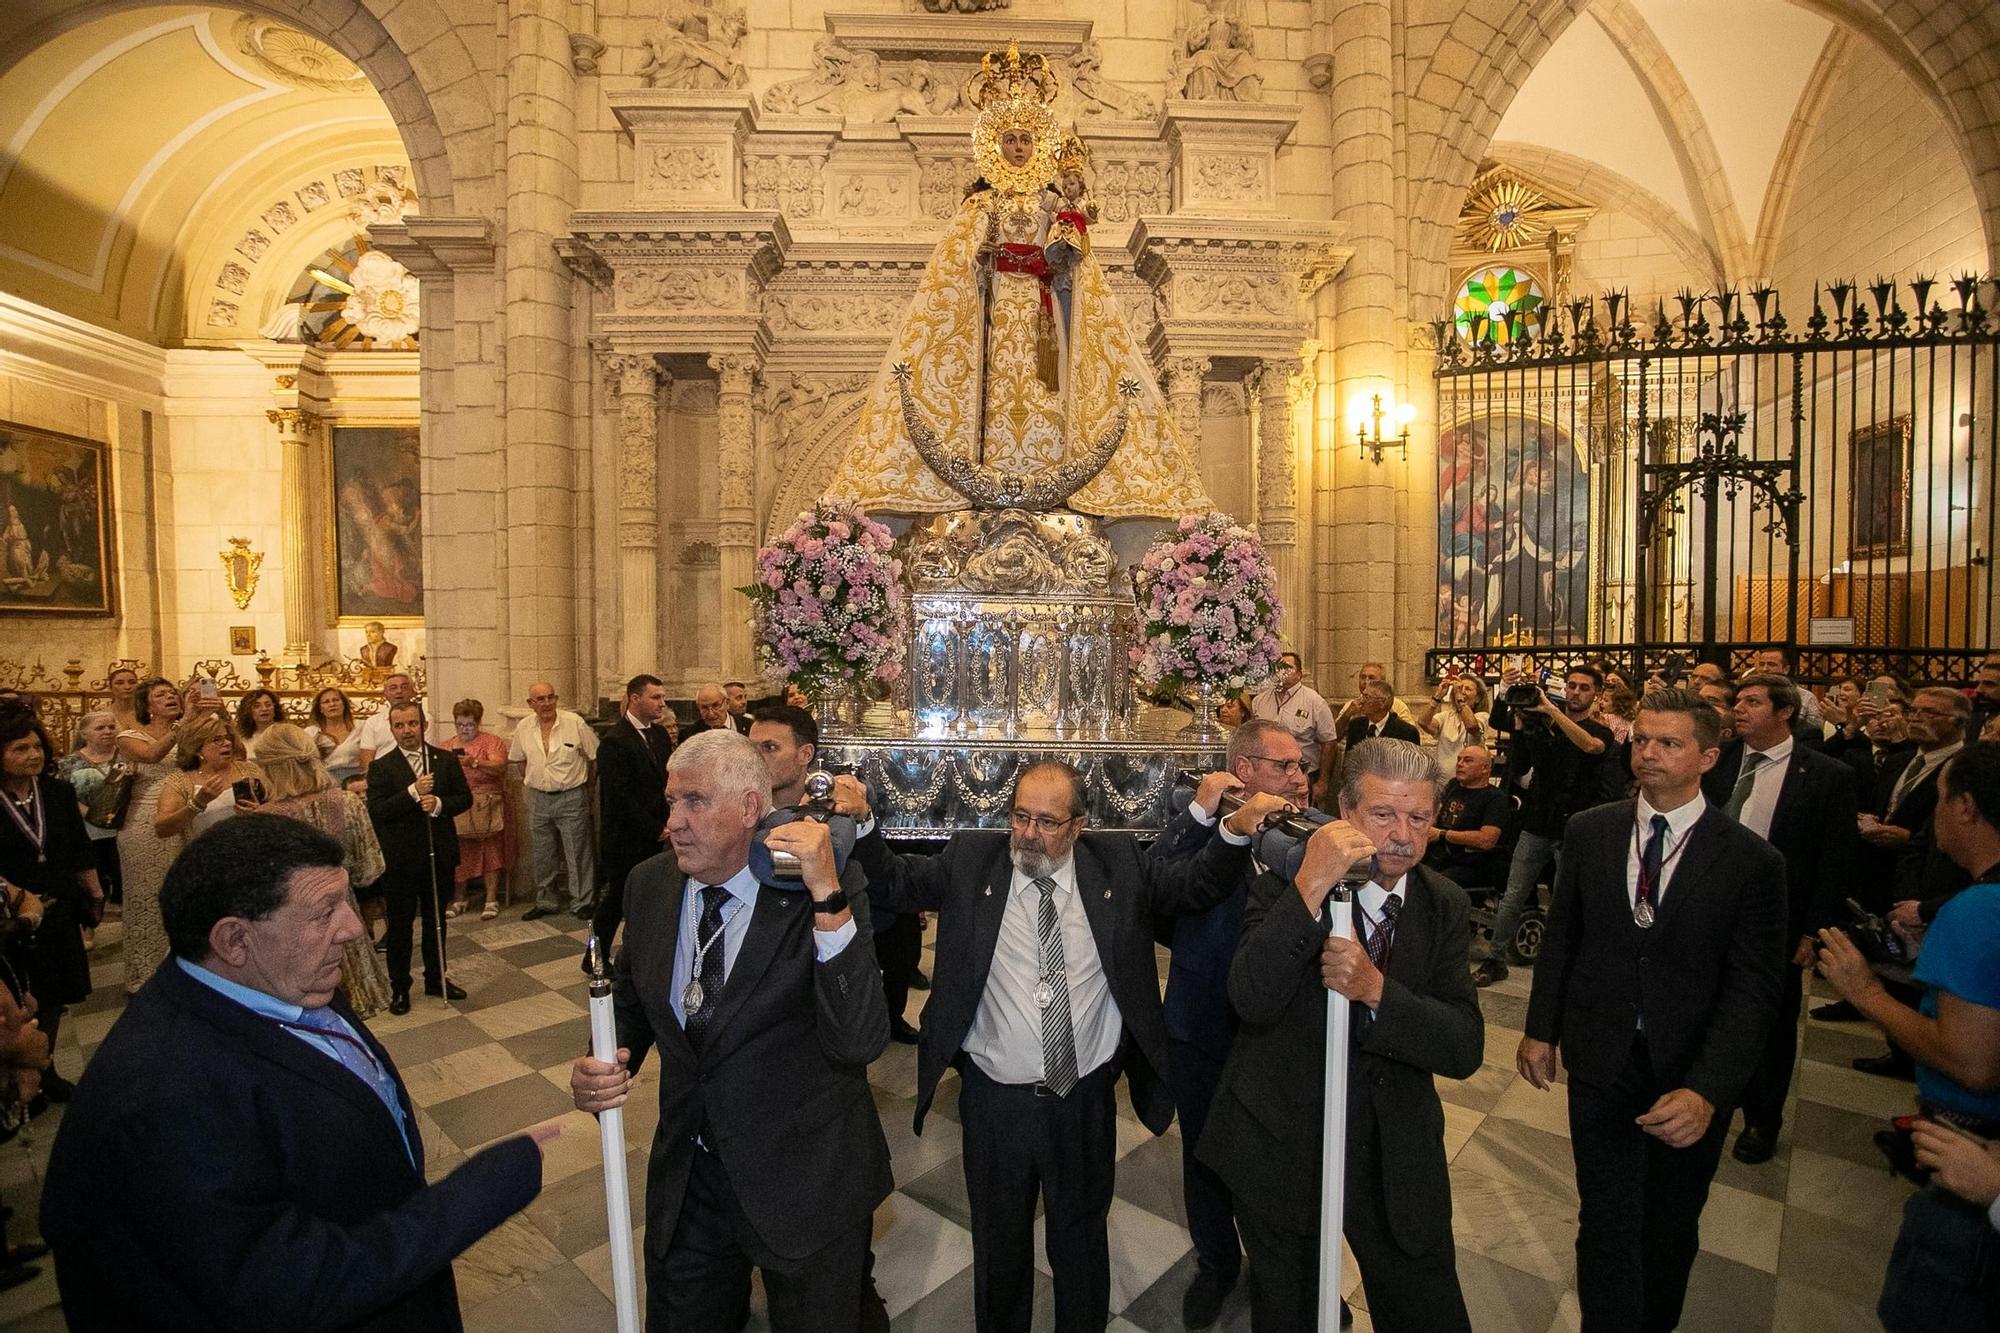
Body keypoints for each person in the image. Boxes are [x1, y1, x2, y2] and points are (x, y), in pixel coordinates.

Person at [39, 815, 551, 1329]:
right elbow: (288, 1287)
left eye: (345, 901)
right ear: (234, 941)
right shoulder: (163, 1095)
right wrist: (479, 1192)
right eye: (325, 911)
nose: (352, 928)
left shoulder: (285, 980)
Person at [833, 762, 1280, 1333]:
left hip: (1084, 1100)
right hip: (996, 1104)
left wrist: (1235, 830)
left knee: (1080, 1240)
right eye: (1020, 816)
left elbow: (1192, 886)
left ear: (1078, 825)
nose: (1029, 833)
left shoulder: (1115, 863)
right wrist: (865, 821)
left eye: (1047, 821)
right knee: (1000, 1246)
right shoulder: (974, 861)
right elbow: (897, 882)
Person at [568, 730, 891, 1333]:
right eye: (671, 803)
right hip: (691, 1174)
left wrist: (828, 896)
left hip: (803, 1178)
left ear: (749, 809)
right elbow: (637, 1000)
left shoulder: (816, 887)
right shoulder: (652, 884)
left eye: (694, 802)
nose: (674, 822)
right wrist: (607, 1059)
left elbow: (859, 1039)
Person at [1518, 688, 1785, 1333]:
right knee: (1605, 1215)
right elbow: (1564, 938)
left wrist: (1709, 1089)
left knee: (1668, 1221)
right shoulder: (1591, 830)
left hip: (1687, 1064)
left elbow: (1753, 992)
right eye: (1641, 739)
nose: (1649, 754)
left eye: (1669, 743)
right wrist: (1539, 1030)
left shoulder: (1751, 861)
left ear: (1709, 757)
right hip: (1603, 1052)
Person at [1201, 738, 1483, 1332]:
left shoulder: (1443, 905)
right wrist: (1311, 887)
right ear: (1345, 813)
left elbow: (1463, 1045)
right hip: (1285, 1139)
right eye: (1383, 815)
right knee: (1294, 1309)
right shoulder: (1288, 883)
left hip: (1393, 1149)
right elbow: (1250, 997)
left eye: (1419, 818)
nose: (1402, 836)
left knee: (1427, 1310)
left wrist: (1379, 990)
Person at [1814, 740, 2000, 1331]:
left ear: (1965, 806)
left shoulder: (1977, 911)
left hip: (1974, 1158)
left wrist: (1865, 991)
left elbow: (1971, 1063)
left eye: (1941, 800)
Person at [1147, 719, 1308, 1327]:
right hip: (1203, 1022)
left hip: (1278, 1032)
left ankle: (1288, 1275)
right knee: (1205, 1156)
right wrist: (1216, 821)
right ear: (1245, 771)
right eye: (1284, 766)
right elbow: (1161, 886)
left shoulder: (1310, 835)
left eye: (1300, 767)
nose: (1299, 777)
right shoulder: (1207, 826)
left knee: (1280, 1162)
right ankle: (1216, 1264)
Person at [1697, 673, 1862, 1165]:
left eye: (1752, 702)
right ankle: (1708, 1096)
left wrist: (1815, 931)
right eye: (1737, 701)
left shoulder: (1826, 776)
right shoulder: (1718, 761)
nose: (1739, 710)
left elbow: (1835, 861)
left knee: (1769, 1021)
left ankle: (1762, 1120)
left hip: (1778, 919)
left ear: (1785, 711)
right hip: (1708, 910)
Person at [1478, 663, 1614, 986]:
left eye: (1584, 687)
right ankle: (1495, 958)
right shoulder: (1545, 725)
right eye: (1571, 686)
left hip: (1576, 826)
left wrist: (1551, 709)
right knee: (1513, 895)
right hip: (1538, 822)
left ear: (1596, 694)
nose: (1576, 692)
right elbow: (1517, 752)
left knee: (1567, 898)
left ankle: (1563, 961)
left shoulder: (1600, 731)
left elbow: (1590, 746)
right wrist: (1509, 700)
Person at [255, 722, 395, 1020]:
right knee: (350, 1020)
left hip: (290, 929)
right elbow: (370, 870)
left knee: (302, 1018)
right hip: (343, 920)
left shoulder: (263, 819)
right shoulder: (347, 803)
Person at [0, 706, 101, 1104]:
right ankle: (15, 1075)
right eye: (20, 748)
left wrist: (93, 891)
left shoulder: (57, 792)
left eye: (37, 746)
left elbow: (79, 847)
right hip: (12, 919)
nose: (33, 755)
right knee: (19, 999)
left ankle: (47, 1067)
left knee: (56, 995)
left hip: (58, 906)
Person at [367, 701, 472, 1014]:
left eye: (412, 724)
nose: (406, 731)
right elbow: (378, 811)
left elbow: (464, 798)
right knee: (400, 926)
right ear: (392, 728)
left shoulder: (444, 759)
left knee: (436, 922)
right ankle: (400, 987)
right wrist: (412, 792)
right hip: (401, 859)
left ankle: (436, 977)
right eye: (399, 726)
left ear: (423, 725)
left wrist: (438, 803)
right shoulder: (382, 766)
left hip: (438, 853)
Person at [115, 676, 194, 993]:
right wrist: (182, 724)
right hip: (145, 823)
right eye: (161, 695)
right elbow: (152, 756)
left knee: (183, 894)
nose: (170, 697)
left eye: (173, 693)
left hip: (185, 814)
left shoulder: (188, 731)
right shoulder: (129, 736)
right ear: (147, 705)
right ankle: (145, 974)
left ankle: (183, 970)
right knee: (147, 896)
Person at [591, 674, 673, 950]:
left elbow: (664, 782)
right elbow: (619, 797)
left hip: (657, 831)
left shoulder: (659, 734)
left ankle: (642, 951)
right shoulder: (615, 741)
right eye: (656, 697)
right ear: (635, 699)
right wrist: (654, 828)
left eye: (663, 697)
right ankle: (595, 956)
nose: (662, 703)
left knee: (651, 897)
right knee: (617, 899)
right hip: (626, 837)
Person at [510, 682, 599, 921]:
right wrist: (535, 783)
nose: (547, 703)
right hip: (538, 798)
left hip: (571, 795)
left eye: (551, 697)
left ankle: (582, 901)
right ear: (531, 703)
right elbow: (519, 761)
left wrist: (586, 791)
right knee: (542, 853)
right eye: (540, 699)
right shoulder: (524, 727)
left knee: (577, 851)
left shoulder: (574, 722)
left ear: (556, 699)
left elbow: (593, 758)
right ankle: (546, 901)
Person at [442, 700, 511, 921]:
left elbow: (499, 766)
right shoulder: (445, 746)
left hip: (486, 803)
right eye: (460, 724)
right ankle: (459, 897)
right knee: (458, 853)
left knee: (490, 850)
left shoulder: (492, 742)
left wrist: (473, 762)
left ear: (478, 722)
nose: (464, 729)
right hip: (457, 804)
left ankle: (491, 899)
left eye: (469, 725)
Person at [153, 712, 264, 847]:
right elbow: (162, 829)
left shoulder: (249, 770)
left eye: (227, 737)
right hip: (205, 855)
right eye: (217, 739)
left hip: (251, 849)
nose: (228, 743)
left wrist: (260, 811)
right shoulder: (179, 781)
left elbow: (275, 804)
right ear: (196, 749)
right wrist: (197, 804)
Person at [1252, 651, 1340, 805]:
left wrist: (1323, 781)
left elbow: (1329, 742)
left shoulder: (1314, 702)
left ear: (1299, 674)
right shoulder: (1260, 700)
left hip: (1303, 774)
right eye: (1278, 667)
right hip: (1268, 774)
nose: (1282, 672)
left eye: (1288, 667)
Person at [57, 709, 124, 906]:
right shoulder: (69, 763)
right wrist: (90, 814)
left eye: (111, 727)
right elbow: (62, 795)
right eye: (100, 728)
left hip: (121, 829)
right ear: (84, 733)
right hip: (87, 832)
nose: (107, 731)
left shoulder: (127, 758)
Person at [1424, 743, 1510, 890]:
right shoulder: (1453, 785)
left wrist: (1443, 835)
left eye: (1468, 760)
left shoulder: (1495, 798)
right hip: (1438, 853)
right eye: (1459, 760)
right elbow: (1436, 814)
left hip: (1470, 862)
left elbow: (1487, 839)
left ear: (1485, 768)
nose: (1460, 764)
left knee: (1432, 885)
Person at [1421, 673, 1490, 779]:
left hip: (1468, 781)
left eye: (1467, 689)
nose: (1462, 692)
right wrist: (1437, 697)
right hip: (1443, 781)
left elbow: (1472, 726)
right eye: (1460, 688)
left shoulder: (1482, 716)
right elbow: (1423, 723)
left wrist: (1459, 697)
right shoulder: (1446, 716)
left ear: (1478, 698)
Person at [354, 672, 421, 774]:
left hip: (416, 771)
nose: (399, 691)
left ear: (413, 692)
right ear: (384, 693)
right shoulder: (373, 722)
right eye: (393, 688)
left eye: (404, 687)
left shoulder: (423, 718)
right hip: (381, 775)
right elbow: (366, 757)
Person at [307, 686, 364, 789]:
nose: (332, 704)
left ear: (344, 704)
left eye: (336, 700)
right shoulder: (311, 732)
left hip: (355, 782)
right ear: (320, 709)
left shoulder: (361, 727)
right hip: (324, 783)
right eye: (326, 702)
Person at [1340, 680, 1422, 751]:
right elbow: (1349, 762)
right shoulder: (1355, 726)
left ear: (1382, 703)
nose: (1361, 701)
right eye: (1362, 696)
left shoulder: (1407, 733)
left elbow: (1413, 765)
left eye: (1366, 697)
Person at [104, 665, 141, 734]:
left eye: (132, 682)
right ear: (110, 687)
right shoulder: (102, 713)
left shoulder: (149, 712)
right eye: (119, 683)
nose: (127, 687)